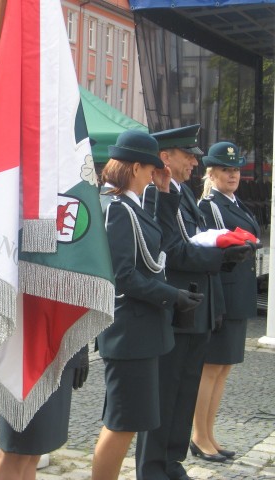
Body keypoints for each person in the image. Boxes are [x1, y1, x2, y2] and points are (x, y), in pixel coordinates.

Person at [136, 125, 253, 480]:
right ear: (165, 158)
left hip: (195, 307)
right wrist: (222, 257)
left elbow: (195, 239)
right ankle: (154, 467)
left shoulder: (182, 193)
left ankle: (172, 461)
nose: (193, 162)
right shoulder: (155, 195)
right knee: (166, 391)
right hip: (174, 306)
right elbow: (172, 251)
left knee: (183, 392)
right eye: (188, 155)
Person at [91, 130, 202, 480]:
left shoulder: (131, 205)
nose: (155, 174)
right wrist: (172, 296)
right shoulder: (118, 208)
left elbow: (158, 242)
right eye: (152, 168)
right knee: (122, 424)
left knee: (129, 421)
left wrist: (166, 192)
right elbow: (123, 275)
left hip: (142, 331)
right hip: (130, 332)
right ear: (136, 167)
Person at [190, 142, 261, 461]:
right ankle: (198, 436)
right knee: (210, 368)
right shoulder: (210, 205)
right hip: (221, 293)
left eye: (235, 170)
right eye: (225, 169)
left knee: (223, 369)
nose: (232, 175)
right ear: (211, 173)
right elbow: (208, 253)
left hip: (239, 293)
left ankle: (210, 434)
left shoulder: (233, 201)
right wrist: (213, 301)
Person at [0, 348, 89, 480]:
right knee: (15, 453)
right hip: (25, 351)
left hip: (60, 348)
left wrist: (81, 348)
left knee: (33, 452)